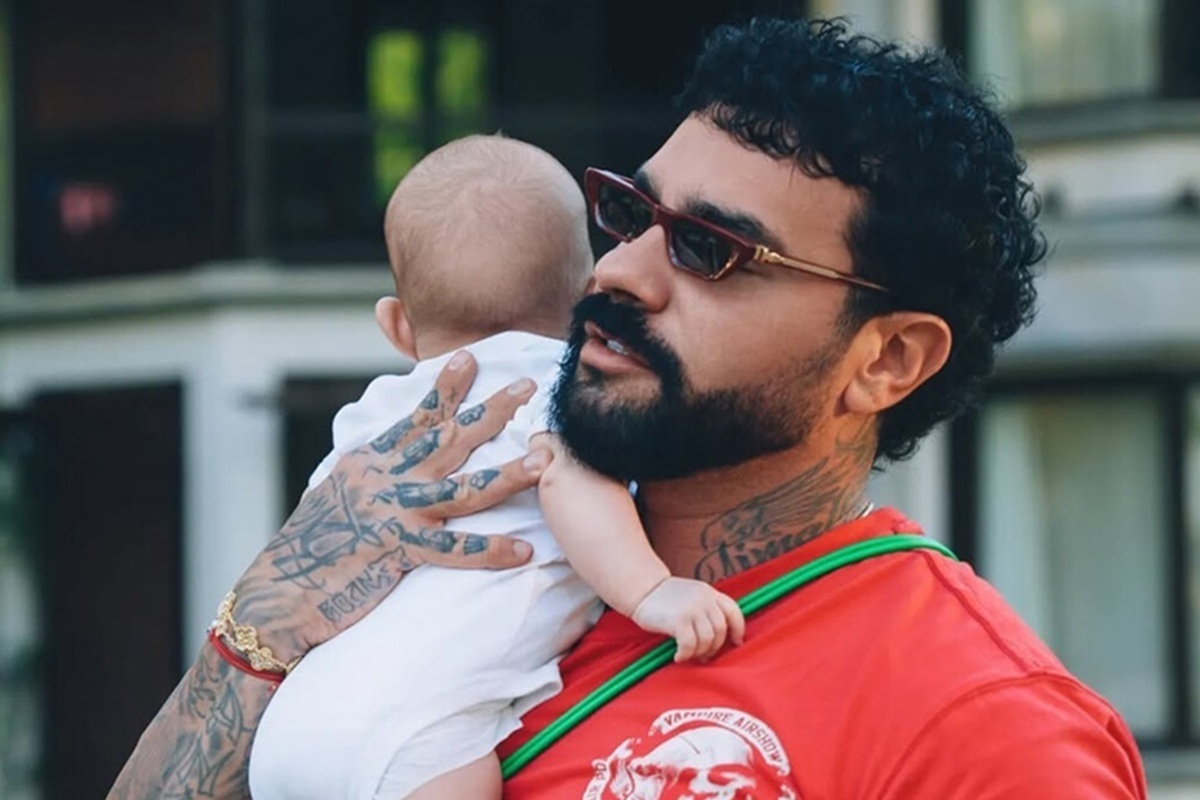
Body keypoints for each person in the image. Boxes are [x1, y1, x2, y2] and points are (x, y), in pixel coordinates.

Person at [110, 17, 1148, 800]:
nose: (617, 271)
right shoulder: (460, 537)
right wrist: (260, 629)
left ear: (887, 360)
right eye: (629, 212)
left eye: (708, 248)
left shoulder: (985, 729)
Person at [247, 134, 744, 800]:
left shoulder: (372, 417)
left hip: (292, 726)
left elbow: (317, 530)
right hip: (419, 734)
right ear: (586, 296)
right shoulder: (556, 386)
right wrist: (651, 590)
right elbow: (568, 480)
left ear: (396, 326)